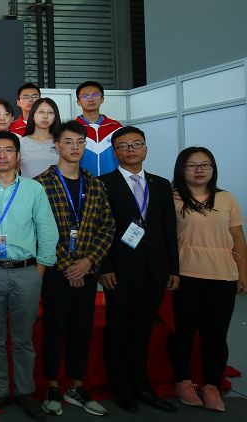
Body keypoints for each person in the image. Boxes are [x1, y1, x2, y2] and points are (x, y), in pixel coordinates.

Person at [0, 131, 58, 421]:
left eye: (8, 150)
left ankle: (25, 392)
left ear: (18, 157)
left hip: (26, 272)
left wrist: (40, 268)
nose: (2, 155)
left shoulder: (33, 190)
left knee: (23, 338)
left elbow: (47, 230)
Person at [33, 121, 115, 416]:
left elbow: (107, 227)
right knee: (55, 328)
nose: (75, 147)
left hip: (87, 269)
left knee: (82, 330)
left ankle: (76, 386)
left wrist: (88, 262)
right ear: (57, 145)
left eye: (80, 142)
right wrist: (69, 266)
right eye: (68, 142)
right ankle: (53, 385)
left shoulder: (95, 185)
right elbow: (38, 230)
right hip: (56, 271)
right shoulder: (41, 184)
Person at [98, 126, 179, 414]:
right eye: (124, 146)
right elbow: (98, 229)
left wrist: (173, 268)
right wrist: (104, 266)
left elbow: (169, 229)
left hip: (155, 270)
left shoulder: (161, 184)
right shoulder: (103, 184)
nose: (130, 150)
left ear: (145, 148)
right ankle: (121, 387)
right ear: (114, 152)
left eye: (136, 144)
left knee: (143, 331)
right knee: (118, 329)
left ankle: (142, 386)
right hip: (119, 271)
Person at [168, 147, 247, 412]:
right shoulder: (171, 197)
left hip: (222, 275)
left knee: (216, 334)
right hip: (185, 275)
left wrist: (243, 272)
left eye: (206, 164)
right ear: (182, 169)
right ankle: (183, 381)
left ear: (213, 168)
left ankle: (211, 384)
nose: (199, 170)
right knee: (183, 332)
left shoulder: (226, 198)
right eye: (192, 165)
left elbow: (238, 238)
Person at [75, 81, 123, 177]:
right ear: (78, 102)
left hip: (113, 181)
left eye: (95, 95)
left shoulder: (116, 127)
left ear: (102, 99)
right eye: (85, 96)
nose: (91, 99)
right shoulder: (73, 129)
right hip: (83, 181)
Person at [20, 98, 62, 178]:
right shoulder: (21, 143)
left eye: (50, 112)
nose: (45, 116)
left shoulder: (61, 143)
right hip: (28, 186)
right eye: (41, 112)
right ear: (33, 115)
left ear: (55, 118)